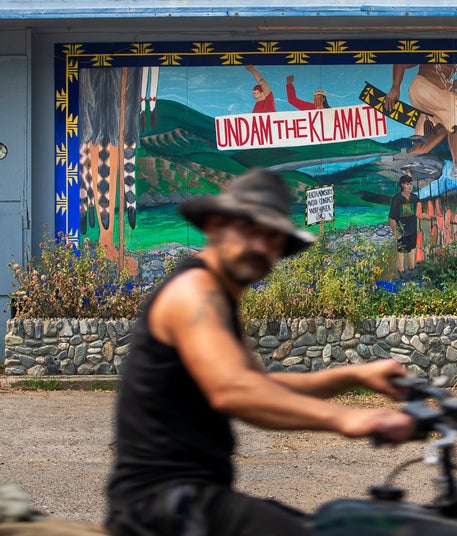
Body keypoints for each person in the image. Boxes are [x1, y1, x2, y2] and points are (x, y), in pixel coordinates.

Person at [105, 169, 415, 536]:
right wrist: (346, 419)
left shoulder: (216, 299)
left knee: (336, 522)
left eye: (273, 239)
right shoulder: (195, 293)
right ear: (216, 227)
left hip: (192, 500)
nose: (262, 248)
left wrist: (354, 376)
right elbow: (235, 391)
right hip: (165, 508)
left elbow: (258, 386)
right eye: (249, 231)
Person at [383, 63, 457, 180]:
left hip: (441, 95)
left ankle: (410, 160)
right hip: (423, 87)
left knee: (446, 123)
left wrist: (446, 86)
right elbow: (402, 62)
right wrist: (395, 87)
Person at [388, 174, 420, 279]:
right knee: (401, 250)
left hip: (412, 229)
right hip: (402, 230)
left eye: (411, 184)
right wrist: (396, 232)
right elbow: (392, 218)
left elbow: (419, 213)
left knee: (412, 248)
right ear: (402, 185)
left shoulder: (415, 198)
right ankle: (401, 270)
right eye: (407, 184)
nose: (410, 186)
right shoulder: (397, 199)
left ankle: (412, 268)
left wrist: (431, 217)